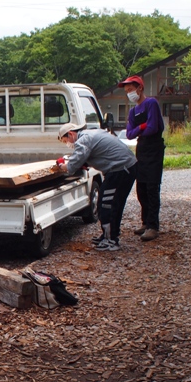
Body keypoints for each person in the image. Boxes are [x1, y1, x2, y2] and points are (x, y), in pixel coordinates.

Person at [56, 123, 138, 252]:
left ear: (71, 134)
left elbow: (72, 167)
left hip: (120, 170)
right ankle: (108, 236)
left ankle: (111, 241)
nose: (68, 144)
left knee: (107, 204)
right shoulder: (92, 134)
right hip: (124, 168)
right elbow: (91, 157)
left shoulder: (83, 140)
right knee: (112, 203)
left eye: (66, 140)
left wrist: (62, 166)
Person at [118, 75, 165, 242]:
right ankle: (145, 222)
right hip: (142, 149)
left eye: (131, 90)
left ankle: (153, 226)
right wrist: (141, 126)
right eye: (126, 91)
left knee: (152, 187)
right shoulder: (133, 111)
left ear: (139, 88)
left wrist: (141, 129)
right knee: (141, 189)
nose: (129, 93)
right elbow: (129, 134)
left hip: (154, 148)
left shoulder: (151, 103)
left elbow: (153, 128)